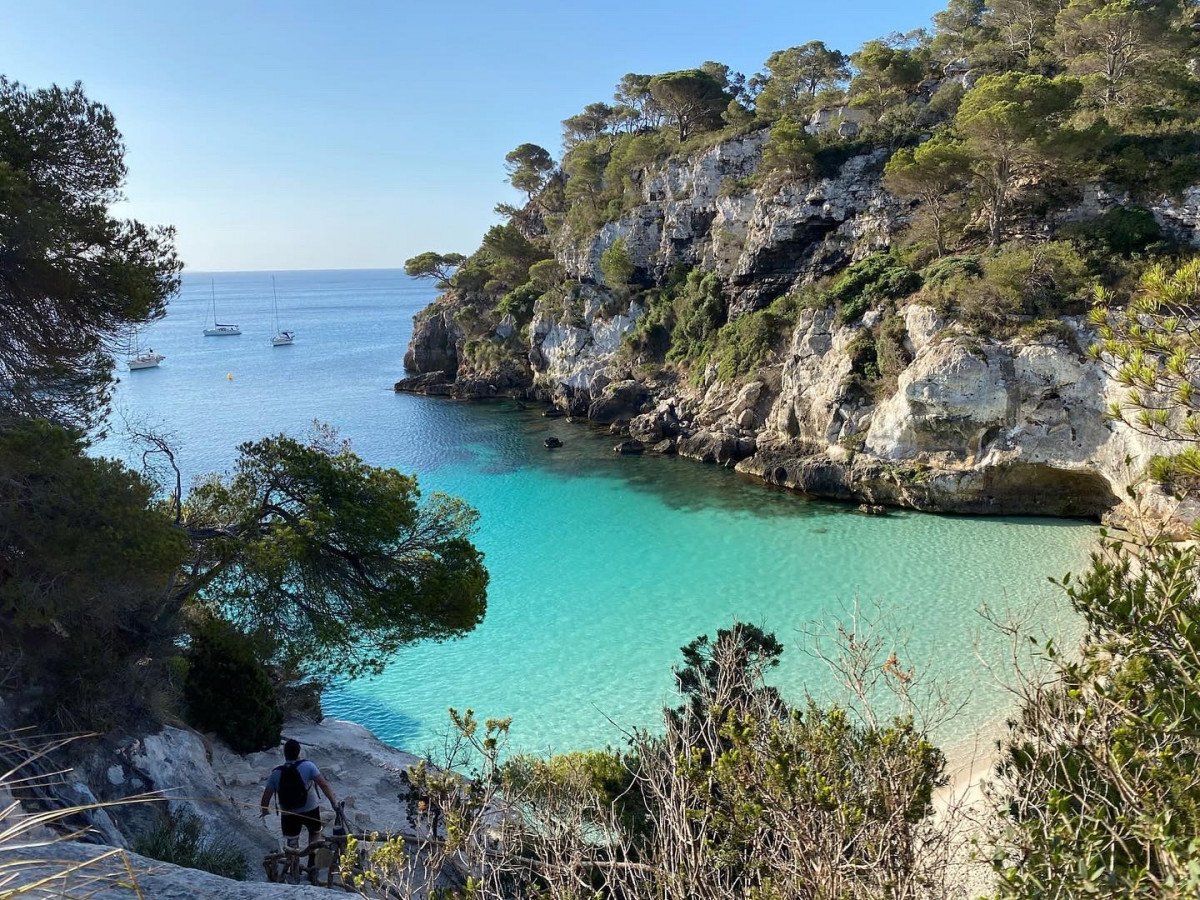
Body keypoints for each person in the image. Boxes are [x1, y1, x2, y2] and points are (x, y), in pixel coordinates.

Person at [259, 738, 339, 851]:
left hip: (288, 812)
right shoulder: (309, 766)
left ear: (284, 753)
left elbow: (266, 797)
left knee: (292, 842)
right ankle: (312, 859)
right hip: (310, 809)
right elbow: (323, 785)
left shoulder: (276, 773)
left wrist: (265, 811)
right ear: (299, 752)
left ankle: (293, 862)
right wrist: (333, 803)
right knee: (315, 833)